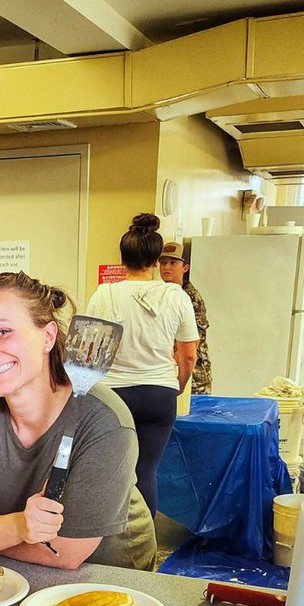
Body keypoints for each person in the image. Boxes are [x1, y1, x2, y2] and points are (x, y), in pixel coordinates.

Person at [0, 271, 156, 571]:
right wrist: (17, 527)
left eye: (3, 332)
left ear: (48, 336)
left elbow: (64, 553)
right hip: (20, 572)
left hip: (110, 572)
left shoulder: (105, 421)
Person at [85, 213, 198, 517]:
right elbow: (188, 355)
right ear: (155, 261)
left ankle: (107, 540)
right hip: (157, 394)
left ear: (122, 259)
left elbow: (89, 351)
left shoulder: (103, 295)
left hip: (111, 396)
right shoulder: (176, 296)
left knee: (110, 470)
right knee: (145, 471)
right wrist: (178, 384)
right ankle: (142, 546)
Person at [158, 240, 211, 393]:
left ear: (185, 268)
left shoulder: (190, 298)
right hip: (168, 373)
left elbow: (191, 346)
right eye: (163, 262)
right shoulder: (160, 294)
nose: (167, 267)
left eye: (173, 263)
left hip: (193, 377)